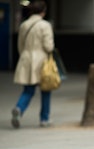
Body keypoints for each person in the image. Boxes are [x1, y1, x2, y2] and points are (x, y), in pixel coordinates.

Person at [12, 0, 54, 128]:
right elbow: (48, 46)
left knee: (28, 90)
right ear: (43, 11)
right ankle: (44, 118)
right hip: (41, 61)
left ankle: (19, 108)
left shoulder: (24, 25)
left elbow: (20, 45)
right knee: (46, 90)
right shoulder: (45, 25)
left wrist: (24, 55)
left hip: (26, 58)